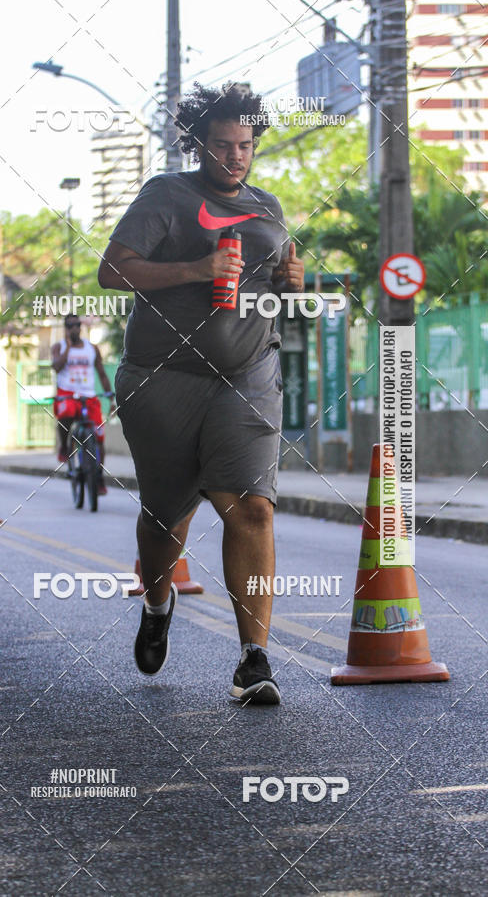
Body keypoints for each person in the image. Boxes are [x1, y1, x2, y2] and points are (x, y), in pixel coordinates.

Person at [98, 82, 305, 704]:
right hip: (163, 378)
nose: (234, 156)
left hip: (246, 377)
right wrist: (196, 269)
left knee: (253, 507)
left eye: (244, 145)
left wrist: (293, 284)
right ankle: (158, 604)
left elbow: (273, 292)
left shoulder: (267, 209)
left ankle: (253, 659)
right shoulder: (166, 194)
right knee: (167, 515)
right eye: (221, 145)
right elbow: (112, 270)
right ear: (198, 144)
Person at [51, 314, 115, 496]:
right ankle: (64, 446)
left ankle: (99, 477)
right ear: (65, 328)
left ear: (81, 327)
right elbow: (56, 367)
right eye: (70, 325)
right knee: (66, 412)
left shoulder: (92, 348)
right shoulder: (59, 347)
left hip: (89, 396)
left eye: (77, 325)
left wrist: (110, 398)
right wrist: (68, 348)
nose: (74, 328)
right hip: (68, 394)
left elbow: (102, 373)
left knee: (99, 437)